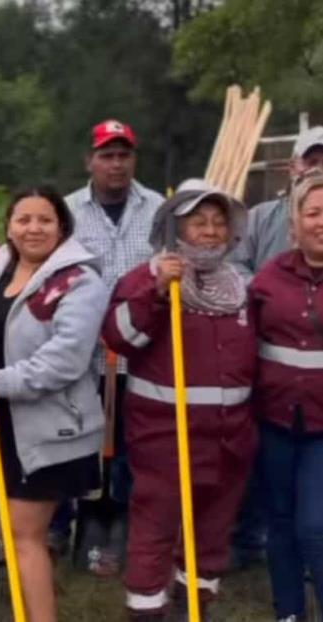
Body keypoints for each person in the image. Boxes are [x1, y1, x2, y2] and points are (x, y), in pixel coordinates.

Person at [0, 186, 107, 622]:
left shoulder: (79, 280)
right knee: (18, 536)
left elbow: (68, 358)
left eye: (44, 220)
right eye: (23, 219)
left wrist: (4, 381)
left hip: (49, 429)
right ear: (9, 227)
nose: (33, 228)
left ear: (62, 226)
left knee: (23, 535)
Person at [102, 180, 256, 621]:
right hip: (166, 440)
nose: (210, 232)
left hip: (229, 443)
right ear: (174, 229)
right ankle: (148, 613)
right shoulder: (146, 278)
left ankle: (196, 609)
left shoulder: (240, 287)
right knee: (155, 533)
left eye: (218, 223)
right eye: (198, 223)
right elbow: (120, 338)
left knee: (210, 536)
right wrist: (155, 291)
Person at [60, 119, 164, 572]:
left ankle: (123, 522)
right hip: (85, 358)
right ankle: (86, 521)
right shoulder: (67, 213)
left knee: (132, 447)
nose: (116, 164)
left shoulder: (159, 210)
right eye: (107, 155)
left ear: (134, 160)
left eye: (124, 155)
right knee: (86, 443)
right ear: (90, 160)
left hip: (141, 359)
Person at [230, 126, 323, 569]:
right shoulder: (258, 218)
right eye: (313, 159)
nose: (319, 167)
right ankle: (251, 541)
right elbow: (235, 269)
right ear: (294, 166)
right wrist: (276, 293)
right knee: (264, 471)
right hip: (266, 370)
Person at [248, 171, 323, 622]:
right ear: (293, 224)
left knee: (314, 526)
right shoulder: (268, 278)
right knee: (278, 522)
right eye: (313, 212)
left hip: (322, 429)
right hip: (274, 421)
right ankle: (289, 612)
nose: (321, 221)